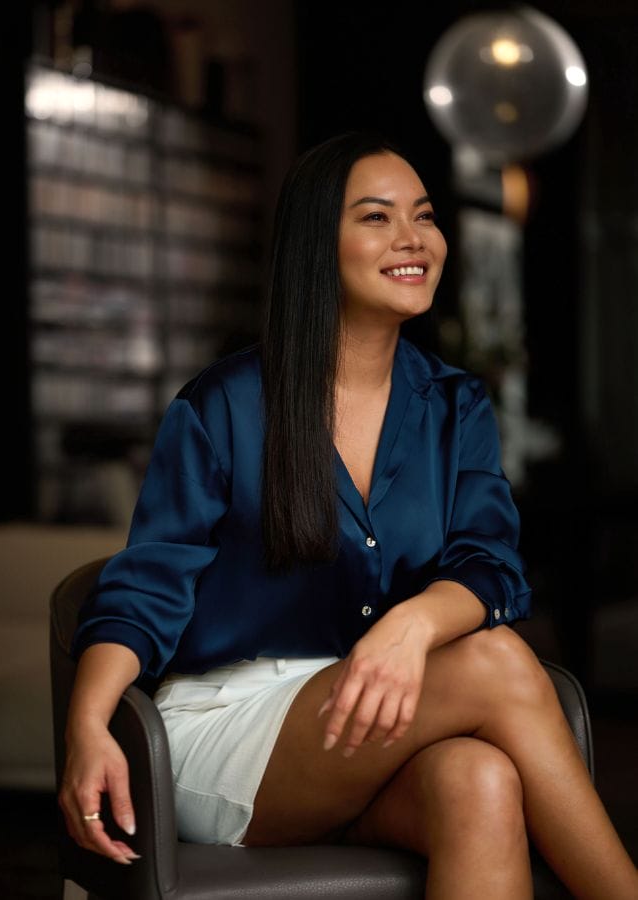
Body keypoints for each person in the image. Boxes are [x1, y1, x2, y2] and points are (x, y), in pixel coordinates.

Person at [60, 132, 638, 899]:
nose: (413, 239)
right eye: (376, 217)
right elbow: (146, 587)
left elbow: (489, 562)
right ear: (315, 245)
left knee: (481, 782)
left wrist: (412, 626)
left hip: (373, 717)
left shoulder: (454, 405)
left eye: (424, 217)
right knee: (498, 661)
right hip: (224, 726)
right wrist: (87, 724)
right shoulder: (225, 405)